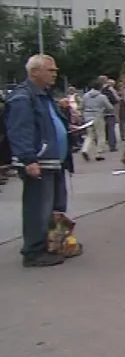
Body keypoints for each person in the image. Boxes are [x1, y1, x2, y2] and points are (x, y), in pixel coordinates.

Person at [5, 54, 76, 267]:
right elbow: (19, 130)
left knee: (54, 207)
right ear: (35, 72)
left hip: (53, 161)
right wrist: (29, 159)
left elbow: (49, 124)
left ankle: (52, 244)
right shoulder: (23, 97)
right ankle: (33, 252)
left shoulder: (43, 95)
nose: (55, 73)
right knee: (38, 208)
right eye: (50, 70)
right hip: (40, 162)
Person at [79, 78, 115, 162]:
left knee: (90, 135)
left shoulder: (85, 96)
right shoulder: (102, 97)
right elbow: (110, 107)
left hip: (87, 117)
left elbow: (81, 106)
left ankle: (85, 149)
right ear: (100, 88)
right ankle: (98, 153)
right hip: (98, 116)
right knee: (101, 135)